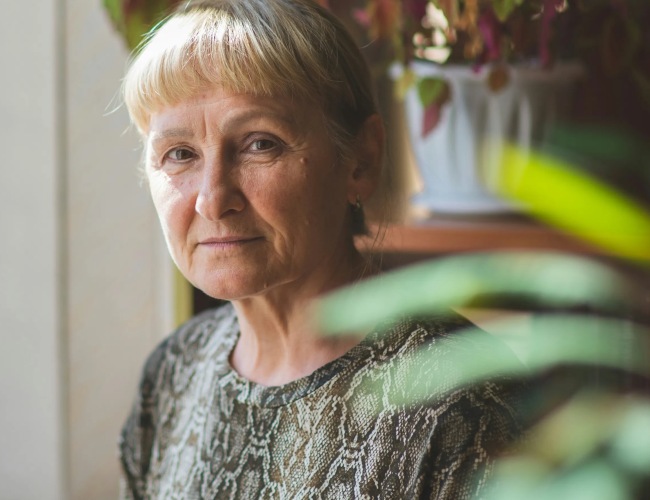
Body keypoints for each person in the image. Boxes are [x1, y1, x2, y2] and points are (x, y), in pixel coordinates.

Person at [118, 1, 521, 498]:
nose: (213, 199)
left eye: (260, 144)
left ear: (361, 161)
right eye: (179, 154)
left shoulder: (463, 402)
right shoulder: (172, 374)